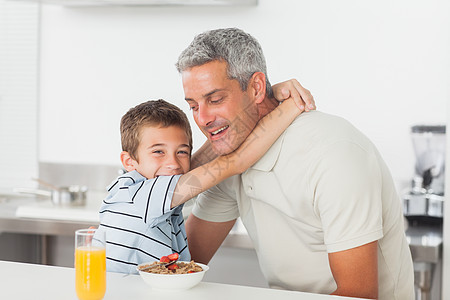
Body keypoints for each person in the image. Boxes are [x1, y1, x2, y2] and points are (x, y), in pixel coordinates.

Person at [176, 28, 414, 300]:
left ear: (255, 87)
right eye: (193, 106)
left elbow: (358, 296)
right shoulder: (231, 159)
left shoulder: (333, 153)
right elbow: (181, 265)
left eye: (215, 99)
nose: (203, 118)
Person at [94, 97, 305, 274]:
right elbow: (234, 162)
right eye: (158, 151)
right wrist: (291, 106)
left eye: (182, 151)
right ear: (129, 161)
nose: (173, 164)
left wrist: (259, 104)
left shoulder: (140, 186)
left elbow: (198, 163)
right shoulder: (140, 195)